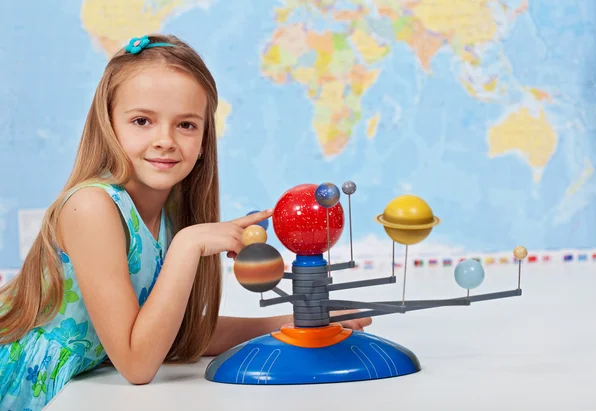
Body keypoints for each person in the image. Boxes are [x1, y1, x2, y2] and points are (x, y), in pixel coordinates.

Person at [0, 34, 371, 410]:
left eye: (186, 125)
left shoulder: (170, 216)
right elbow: (137, 363)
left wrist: (293, 321)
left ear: (205, 138)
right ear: (108, 125)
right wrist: (188, 246)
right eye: (142, 120)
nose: (165, 140)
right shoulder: (91, 207)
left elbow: (178, 336)